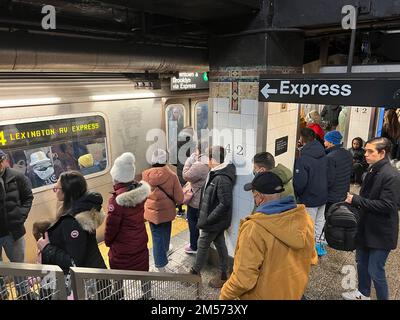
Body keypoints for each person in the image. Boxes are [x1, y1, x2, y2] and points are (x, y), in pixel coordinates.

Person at [220, 172, 317, 300]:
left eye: (254, 195)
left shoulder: (254, 229)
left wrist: (224, 295)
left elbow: (243, 279)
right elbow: (312, 258)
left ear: (259, 197)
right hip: (294, 292)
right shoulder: (304, 218)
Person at [344, 137, 400, 300]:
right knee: (361, 263)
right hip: (366, 227)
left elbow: (389, 206)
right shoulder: (373, 169)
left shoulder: (392, 176)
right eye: (366, 150)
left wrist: (357, 200)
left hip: (381, 232)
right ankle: (363, 293)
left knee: (375, 270)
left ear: (382, 153)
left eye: (370, 151)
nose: (366, 154)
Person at [38, 171, 108, 298]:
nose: (55, 190)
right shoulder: (84, 210)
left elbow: (74, 262)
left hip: (86, 284)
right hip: (95, 274)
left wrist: (47, 248)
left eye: (57, 188)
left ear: (67, 192)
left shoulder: (72, 221)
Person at [105, 152, 151, 299]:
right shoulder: (139, 192)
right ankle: (147, 295)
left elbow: (111, 228)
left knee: (118, 276)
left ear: (117, 177)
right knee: (144, 273)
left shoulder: (116, 202)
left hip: (122, 250)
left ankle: (118, 296)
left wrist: (108, 242)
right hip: (140, 243)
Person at [189, 146, 236, 288]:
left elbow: (225, 203)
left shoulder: (222, 178)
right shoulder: (217, 172)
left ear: (213, 159)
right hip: (216, 220)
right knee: (220, 244)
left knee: (202, 243)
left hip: (214, 221)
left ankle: (194, 273)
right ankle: (223, 274)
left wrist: (208, 219)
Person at [142, 149, 183, 272]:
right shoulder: (172, 176)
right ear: (165, 160)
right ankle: (160, 263)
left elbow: (142, 194)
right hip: (167, 211)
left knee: (156, 235)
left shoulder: (145, 175)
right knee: (165, 232)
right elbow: (179, 198)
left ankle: (164, 253)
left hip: (151, 212)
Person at [0, 149, 34, 299]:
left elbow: (28, 197)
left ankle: (24, 293)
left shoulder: (17, 177)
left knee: (19, 266)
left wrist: (20, 216)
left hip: (13, 232)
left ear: (4, 160)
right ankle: (2, 293)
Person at [293, 128, 328, 257]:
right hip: (323, 194)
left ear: (302, 139)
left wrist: (298, 195)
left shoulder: (303, 159)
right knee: (320, 221)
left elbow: (300, 183)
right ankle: (319, 247)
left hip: (310, 197)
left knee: (309, 225)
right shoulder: (322, 152)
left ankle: (309, 251)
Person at [182, 142, 209, 254]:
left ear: (198, 150)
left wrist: (189, 161)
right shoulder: (209, 161)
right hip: (205, 198)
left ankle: (194, 246)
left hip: (196, 200)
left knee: (193, 222)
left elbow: (186, 175)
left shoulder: (200, 164)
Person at [324, 130, 353, 213]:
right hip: (344, 192)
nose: (324, 143)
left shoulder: (330, 157)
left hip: (332, 196)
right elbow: (350, 171)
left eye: (325, 141)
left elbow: (329, 179)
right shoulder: (347, 153)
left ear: (331, 142)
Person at [176, 126, 197, 216]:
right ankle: (189, 214)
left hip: (180, 170)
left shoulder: (176, 143)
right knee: (189, 192)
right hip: (188, 170)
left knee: (181, 191)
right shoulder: (191, 144)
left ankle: (179, 210)